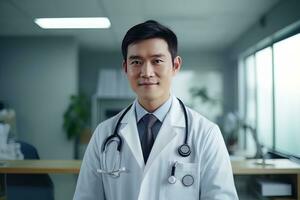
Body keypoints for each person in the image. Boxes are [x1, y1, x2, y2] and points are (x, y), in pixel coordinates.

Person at [73, 20, 238, 200]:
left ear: (175, 66)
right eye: (136, 61)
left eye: (157, 61)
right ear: (125, 68)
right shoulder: (103, 134)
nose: (146, 72)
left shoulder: (206, 134)